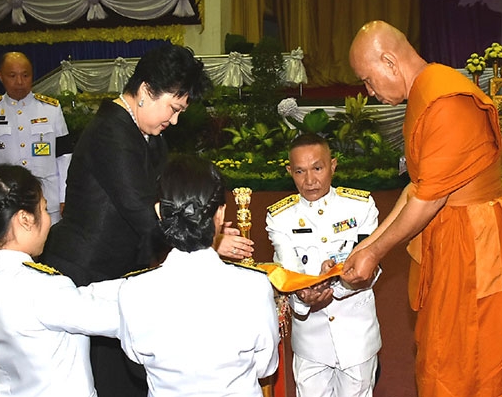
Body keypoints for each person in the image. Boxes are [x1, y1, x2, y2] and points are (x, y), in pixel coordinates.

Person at [343, 20, 502, 397]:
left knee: (473, 359)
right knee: (443, 348)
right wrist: (367, 246)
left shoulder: (446, 101)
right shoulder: (426, 94)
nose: (369, 91)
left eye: (368, 79)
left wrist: (377, 251)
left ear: (389, 61)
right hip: (451, 236)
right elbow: (419, 187)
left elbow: (429, 197)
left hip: (476, 250)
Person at [39, 44, 218, 397]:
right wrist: (205, 239)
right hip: (85, 277)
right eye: (173, 108)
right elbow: (143, 212)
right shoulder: (111, 131)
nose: (175, 120)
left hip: (120, 276)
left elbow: (164, 204)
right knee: (101, 384)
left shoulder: (151, 137)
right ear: (146, 90)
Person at [118, 155, 278, 396]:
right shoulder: (253, 286)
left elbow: (136, 358)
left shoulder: (133, 291)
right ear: (221, 215)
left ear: (160, 212)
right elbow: (266, 365)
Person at [0, 164, 121, 396]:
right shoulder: (41, 287)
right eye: (44, 209)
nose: (48, 220)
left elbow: (80, 299)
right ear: (24, 219)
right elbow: (114, 318)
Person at [265, 134, 381, 396]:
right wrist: (303, 297)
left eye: (317, 168)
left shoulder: (361, 208)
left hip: (357, 336)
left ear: (333, 165)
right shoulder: (280, 218)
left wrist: (335, 285)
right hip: (311, 341)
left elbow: (371, 266)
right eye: (300, 171)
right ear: (289, 171)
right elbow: (288, 270)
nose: (309, 181)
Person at [0, 51, 71, 225]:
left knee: (52, 249)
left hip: (47, 200)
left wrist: (65, 195)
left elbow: (64, 157)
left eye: (25, 75)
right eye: (12, 76)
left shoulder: (51, 109)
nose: (20, 82)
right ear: (0, 76)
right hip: (5, 202)